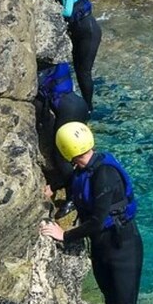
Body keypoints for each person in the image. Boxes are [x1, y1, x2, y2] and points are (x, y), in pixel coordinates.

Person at [39, 122, 146, 304]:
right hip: (103, 248)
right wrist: (52, 189)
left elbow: (98, 221)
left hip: (124, 248)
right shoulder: (82, 169)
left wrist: (65, 235)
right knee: (111, 303)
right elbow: (73, 183)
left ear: (64, 149)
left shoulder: (105, 174)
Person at [37, 0, 102, 113]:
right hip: (78, 32)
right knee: (77, 68)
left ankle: (88, 108)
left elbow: (67, 11)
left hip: (88, 31)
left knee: (83, 72)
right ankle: (79, 101)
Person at [36, 61, 90, 205]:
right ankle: (81, 187)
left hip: (70, 111)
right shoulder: (54, 65)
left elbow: (41, 111)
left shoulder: (40, 73)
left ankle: (72, 198)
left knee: (62, 157)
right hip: (79, 104)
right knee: (76, 156)